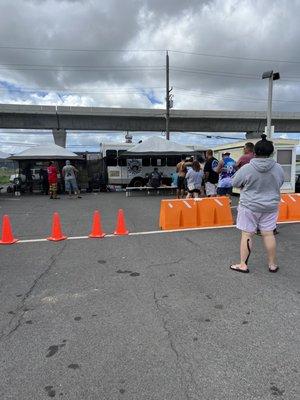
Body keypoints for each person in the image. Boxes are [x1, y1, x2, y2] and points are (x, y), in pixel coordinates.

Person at [230, 134, 285, 273]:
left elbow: (235, 183)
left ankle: (243, 264)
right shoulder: (278, 168)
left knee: (247, 234)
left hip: (249, 205)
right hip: (270, 206)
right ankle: (272, 264)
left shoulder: (247, 168)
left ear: (254, 153)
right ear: (272, 152)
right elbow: (280, 182)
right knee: (268, 234)